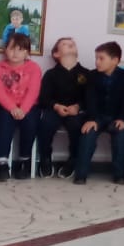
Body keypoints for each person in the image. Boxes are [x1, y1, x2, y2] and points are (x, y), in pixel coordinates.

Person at [74, 41, 124, 186]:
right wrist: (92, 118)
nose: (97, 62)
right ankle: (81, 174)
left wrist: (122, 118)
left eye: (101, 58)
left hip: (116, 117)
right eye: (96, 58)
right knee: (88, 133)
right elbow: (90, 99)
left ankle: (119, 174)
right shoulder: (92, 76)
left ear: (115, 60)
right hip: (97, 116)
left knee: (121, 135)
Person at [0, 33, 41, 181]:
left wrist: (23, 109)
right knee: (4, 122)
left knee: (30, 122)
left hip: (29, 107)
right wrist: (12, 108)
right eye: (12, 48)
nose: (15, 53)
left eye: (20, 49)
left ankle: (24, 160)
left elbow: (33, 91)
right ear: (5, 50)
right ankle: (2, 162)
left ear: (27, 52)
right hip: (7, 107)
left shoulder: (34, 68)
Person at [37, 38, 88, 178]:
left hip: (75, 112)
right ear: (56, 54)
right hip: (54, 109)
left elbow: (89, 97)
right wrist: (56, 106)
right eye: (65, 44)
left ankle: (73, 159)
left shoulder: (85, 74)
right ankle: (45, 158)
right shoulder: (50, 74)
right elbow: (43, 98)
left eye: (73, 44)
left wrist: (78, 106)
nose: (70, 45)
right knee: (45, 124)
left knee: (77, 126)